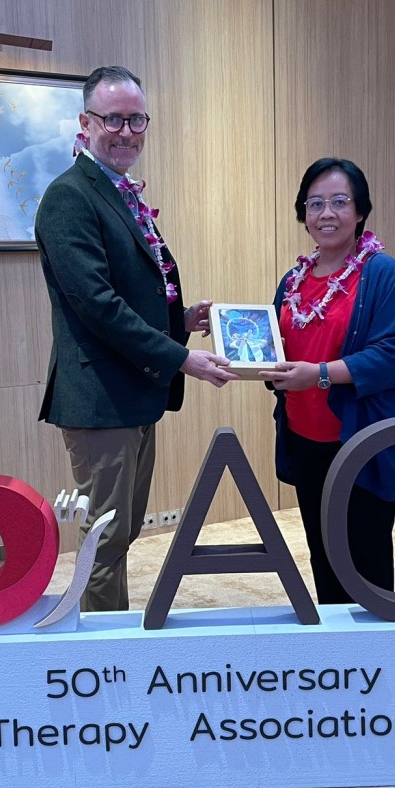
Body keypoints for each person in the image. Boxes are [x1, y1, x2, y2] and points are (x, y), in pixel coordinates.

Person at [36, 65, 235, 612]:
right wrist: (182, 358)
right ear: (86, 123)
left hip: (132, 393)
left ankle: (112, 642)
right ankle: (103, 654)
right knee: (103, 542)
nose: (126, 132)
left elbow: (131, 290)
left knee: (121, 533)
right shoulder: (69, 196)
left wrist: (179, 320)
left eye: (136, 120)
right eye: (113, 119)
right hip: (101, 400)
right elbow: (97, 304)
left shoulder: (117, 192)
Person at [261, 157, 395, 604]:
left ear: (360, 210)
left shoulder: (381, 273)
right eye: (315, 204)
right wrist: (251, 355)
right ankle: (332, 642)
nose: (325, 213)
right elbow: (276, 345)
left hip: (360, 441)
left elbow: (393, 355)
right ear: (303, 213)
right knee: (323, 554)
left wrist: (321, 375)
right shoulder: (293, 280)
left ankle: (372, 644)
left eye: (339, 202)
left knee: (365, 558)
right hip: (304, 438)